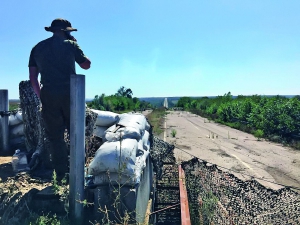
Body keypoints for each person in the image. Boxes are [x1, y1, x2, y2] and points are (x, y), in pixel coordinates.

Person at [28, 18, 91, 181]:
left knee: (55, 137)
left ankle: (61, 174)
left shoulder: (37, 48)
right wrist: (75, 44)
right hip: (71, 93)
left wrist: (40, 96)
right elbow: (86, 65)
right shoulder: (71, 45)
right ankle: (79, 172)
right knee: (76, 132)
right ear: (66, 31)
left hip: (48, 93)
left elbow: (33, 77)